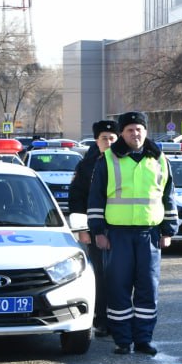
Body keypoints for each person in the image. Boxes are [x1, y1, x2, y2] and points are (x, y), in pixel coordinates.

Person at [87, 112, 178, 355]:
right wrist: (98, 231)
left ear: (145, 132)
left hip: (149, 235)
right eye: (129, 130)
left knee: (148, 288)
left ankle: (143, 340)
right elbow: (95, 198)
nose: (135, 134)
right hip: (117, 235)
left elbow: (168, 198)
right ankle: (122, 340)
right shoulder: (107, 159)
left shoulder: (160, 159)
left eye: (139, 129)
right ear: (122, 133)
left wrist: (168, 230)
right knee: (118, 288)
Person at [67, 118, 119, 338]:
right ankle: (101, 319)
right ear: (96, 141)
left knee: (121, 275)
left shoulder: (124, 161)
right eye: (104, 138)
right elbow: (77, 198)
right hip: (95, 229)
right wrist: (81, 229)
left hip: (121, 227)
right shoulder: (86, 165)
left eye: (112, 138)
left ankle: (120, 318)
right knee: (99, 274)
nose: (108, 142)